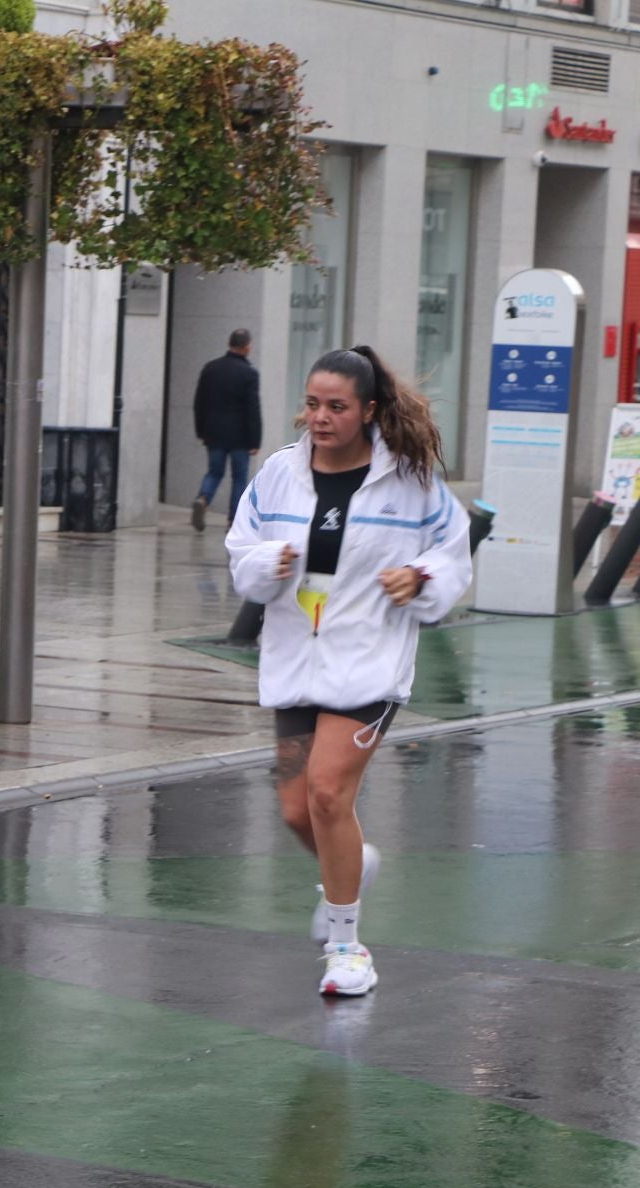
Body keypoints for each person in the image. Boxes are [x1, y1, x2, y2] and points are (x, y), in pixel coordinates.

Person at [225, 346, 471, 998]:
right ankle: (353, 861)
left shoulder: (411, 482)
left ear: (368, 410)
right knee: (296, 810)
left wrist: (420, 576)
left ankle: (347, 948)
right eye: (312, 404)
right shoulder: (279, 473)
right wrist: (265, 564)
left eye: (336, 406)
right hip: (296, 662)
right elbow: (241, 548)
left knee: (329, 794)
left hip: (369, 663)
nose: (321, 417)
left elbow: (453, 553)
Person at [192, 328, 264, 531]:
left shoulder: (210, 368)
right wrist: (255, 440)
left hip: (214, 433)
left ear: (229, 344)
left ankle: (203, 498)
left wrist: (201, 430)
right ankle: (233, 520)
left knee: (214, 472)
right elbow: (253, 408)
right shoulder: (249, 373)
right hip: (240, 436)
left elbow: (199, 403)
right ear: (247, 347)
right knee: (239, 478)